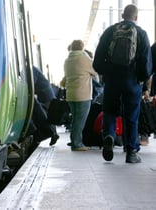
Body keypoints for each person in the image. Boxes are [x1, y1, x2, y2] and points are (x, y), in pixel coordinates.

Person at [93, 4, 152, 163]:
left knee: (110, 111)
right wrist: (141, 79)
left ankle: (110, 135)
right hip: (132, 81)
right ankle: (131, 152)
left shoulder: (110, 32)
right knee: (132, 115)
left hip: (112, 80)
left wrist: (107, 72)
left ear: (122, 15)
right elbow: (147, 64)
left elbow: (97, 62)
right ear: (136, 17)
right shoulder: (141, 34)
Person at [61, 39, 98, 151]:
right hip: (83, 95)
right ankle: (77, 144)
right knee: (80, 120)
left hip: (71, 95)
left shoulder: (67, 60)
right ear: (82, 47)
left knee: (75, 119)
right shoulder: (84, 58)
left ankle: (74, 141)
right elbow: (95, 71)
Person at [31, 66, 59, 146]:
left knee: (47, 116)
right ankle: (54, 134)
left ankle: (53, 133)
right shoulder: (33, 68)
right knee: (48, 116)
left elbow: (31, 83)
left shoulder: (31, 69)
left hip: (46, 96)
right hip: (46, 95)